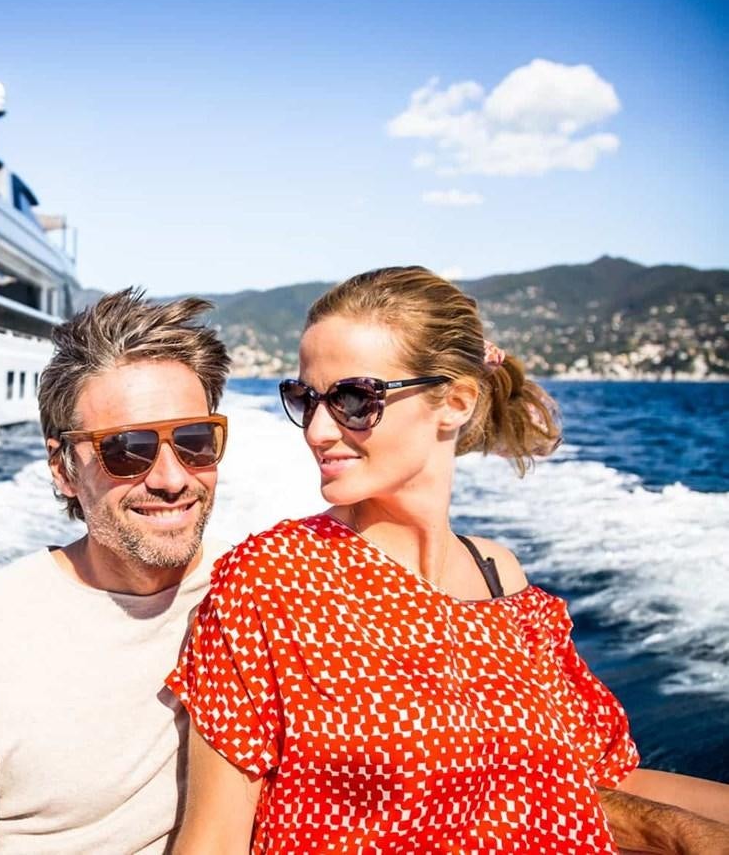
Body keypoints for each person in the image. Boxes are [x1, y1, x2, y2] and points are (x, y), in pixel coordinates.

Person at [167, 266, 729, 853]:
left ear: (455, 402)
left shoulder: (499, 576)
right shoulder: (270, 582)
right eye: (305, 399)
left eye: (354, 399)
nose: (317, 429)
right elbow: (213, 838)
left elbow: (584, 779)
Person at [0, 289, 233, 853]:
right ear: (63, 469)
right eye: (127, 451)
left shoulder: (257, 595)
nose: (173, 478)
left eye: (195, 441)